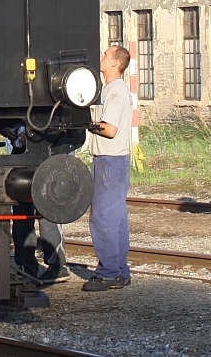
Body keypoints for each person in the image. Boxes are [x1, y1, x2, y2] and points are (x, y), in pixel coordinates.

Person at [82, 45, 133, 291]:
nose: (100, 57)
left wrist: (87, 123)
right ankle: (120, 271)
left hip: (108, 162)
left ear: (115, 63)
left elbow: (109, 129)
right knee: (117, 219)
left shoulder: (115, 91)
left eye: (105, 55)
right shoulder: (112, 90)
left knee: (102, 218)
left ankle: (109, 272)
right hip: (114, 162)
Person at [1, 123, 69, 283]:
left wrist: (32, 135)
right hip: (20, 154)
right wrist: (7, 130)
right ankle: (28, 267)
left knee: (47, 211)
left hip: (43, 153)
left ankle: (56, 266)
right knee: (22, 216)